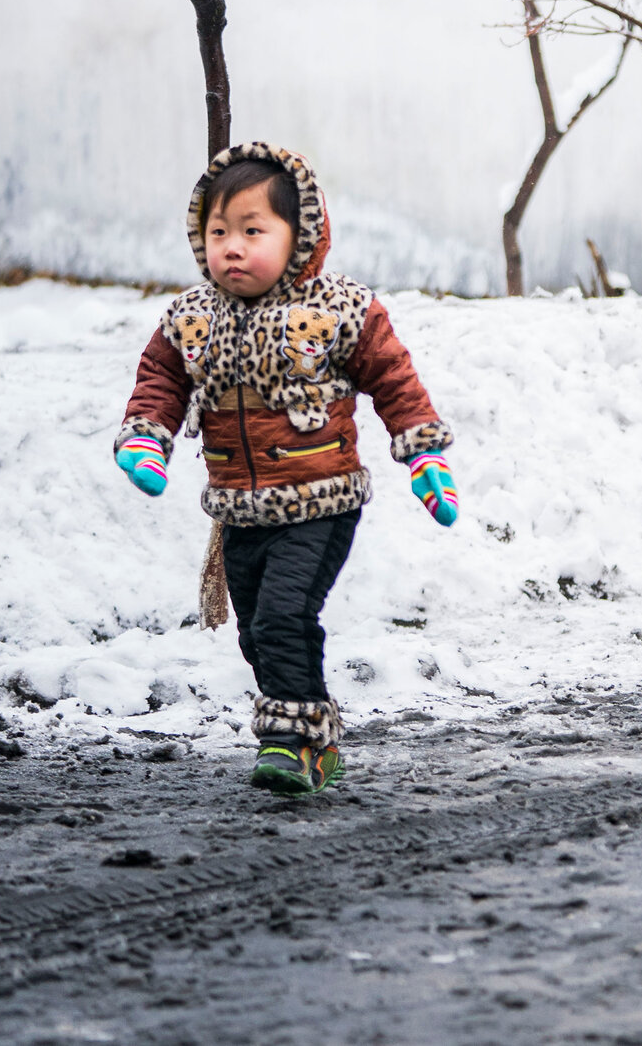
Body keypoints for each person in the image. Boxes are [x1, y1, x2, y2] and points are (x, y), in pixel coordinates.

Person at [115, 145, 458, 794]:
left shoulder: (339, 311)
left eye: (252, 231)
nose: (232, 248)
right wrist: (147, 439)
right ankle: (317, 738)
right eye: (219, 233)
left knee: (282, 616)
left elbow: (395, 379)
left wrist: (425, 455)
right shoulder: (196, 318)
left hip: (321, 501)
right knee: (257, 632)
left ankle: (290, 743)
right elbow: (160, 377)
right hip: (241, 509)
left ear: (300, 238)